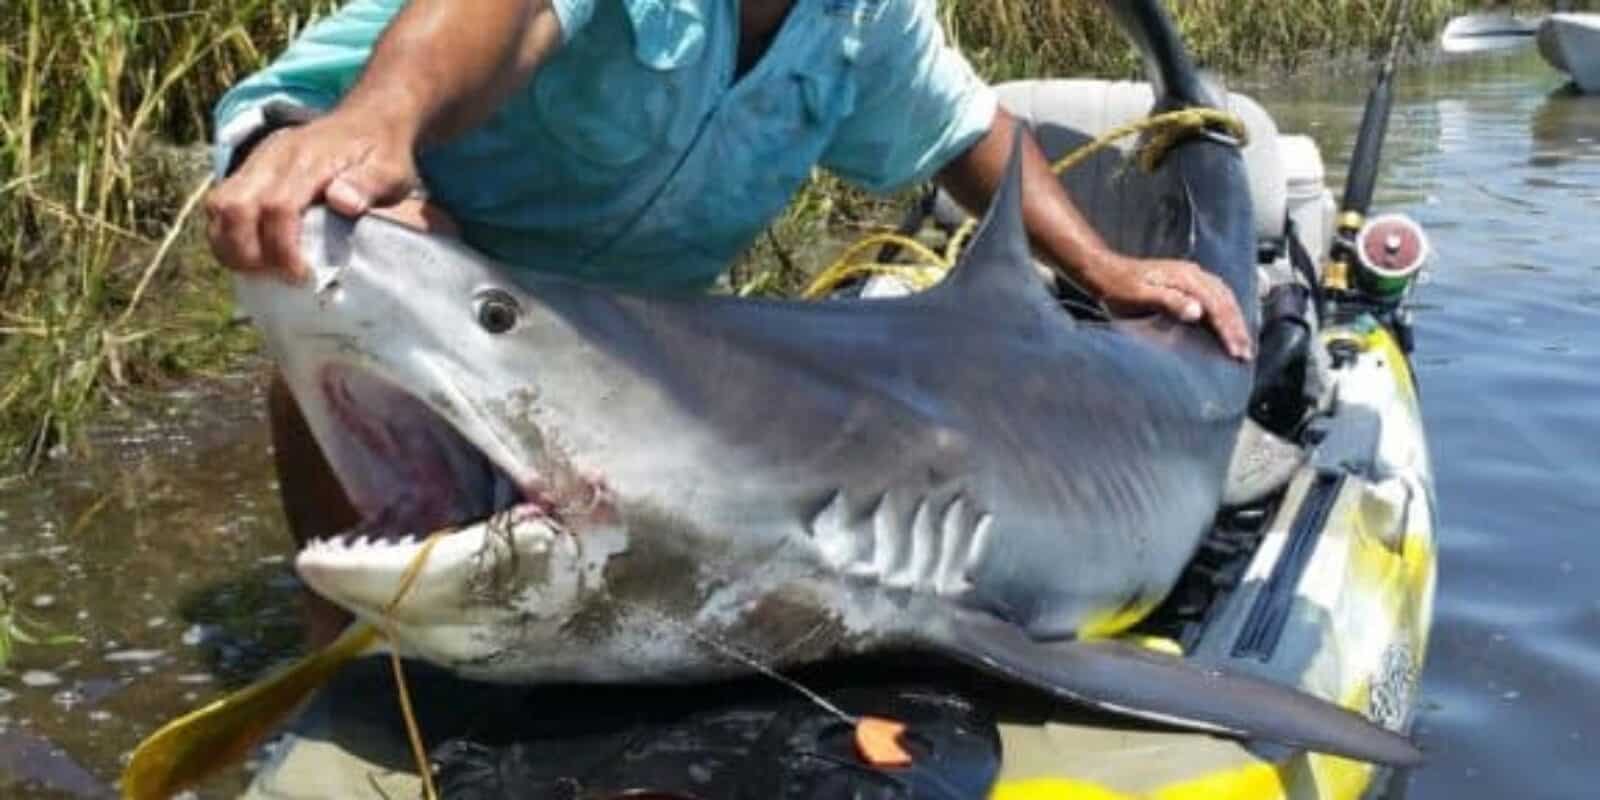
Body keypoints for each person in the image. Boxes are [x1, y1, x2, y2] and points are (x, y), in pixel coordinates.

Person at [207, 0, 1253, 646]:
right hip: (409, 209)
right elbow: (506, 11)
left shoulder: (862, 18)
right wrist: (379, 119)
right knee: (360, 300)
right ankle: (332, 647)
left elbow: (966, 130)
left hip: (627, 331)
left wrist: (1108, 268)